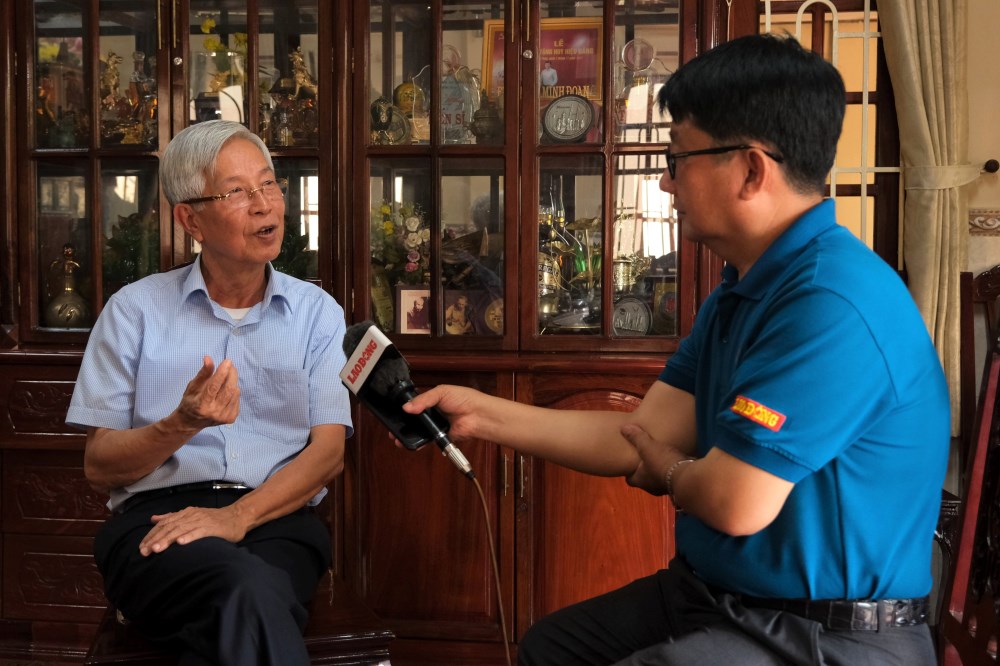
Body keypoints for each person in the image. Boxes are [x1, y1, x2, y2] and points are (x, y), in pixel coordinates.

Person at [402, 34, 949, 665]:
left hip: (827, 634)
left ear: (750, 169)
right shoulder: (743, 287)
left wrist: (669, 470)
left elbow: (734, 501)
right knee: (550, 648)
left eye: (678, 156)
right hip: (720, 598)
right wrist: (483, 414)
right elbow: (637, 435)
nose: (664, 182)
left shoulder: (833, 304)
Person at [67, 120, 352, 665]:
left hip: (277, 521)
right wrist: (182, 423)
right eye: (238, 192)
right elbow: (100, 465)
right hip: (157, 524)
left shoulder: (317, 313)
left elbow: (328, 452)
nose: (265, 205)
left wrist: (237, 518)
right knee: (249, 590)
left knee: (244, 592)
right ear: (190, 219)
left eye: (269, 184)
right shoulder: (134, 311)